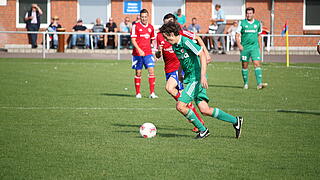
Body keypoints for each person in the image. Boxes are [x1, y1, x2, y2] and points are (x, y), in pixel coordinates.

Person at [159, 22, 243, 139]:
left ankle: (203, 130)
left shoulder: (186, 42)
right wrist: (179, 75)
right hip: (190, 78)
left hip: (196, 78)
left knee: (180, 106)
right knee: (205, 110)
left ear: (172, 34)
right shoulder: (175, 46)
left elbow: (201, 55)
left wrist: (203, 75)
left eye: (166, 37)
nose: (166, 40)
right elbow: (182, 62)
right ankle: (235, 121)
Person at [155, 13, 205, 133]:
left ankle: (195, 116)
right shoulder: (160, 36)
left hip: (179, 67)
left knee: (169, 88)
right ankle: (197, 120)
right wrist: (158, 53)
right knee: (179, 95)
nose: (169, 24)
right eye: (166, 22)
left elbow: (197, 39)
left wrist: (206, 54)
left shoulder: (180, 33)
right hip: (168, 68)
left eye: (170, 21)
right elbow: (159, 53)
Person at [236, 7, 268, 90]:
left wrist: (261, 48)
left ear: (253, 14)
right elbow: (237, 35)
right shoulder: (242, 23)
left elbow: (259, 36)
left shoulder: (258, 23)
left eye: (250, 13)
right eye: (247, 13)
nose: (248, 15)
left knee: (257, 64)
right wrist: (239, 45)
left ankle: (259, 84)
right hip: (245, 48)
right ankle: (245, 83)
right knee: (244, 65)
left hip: (254, 48)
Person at [131, 9, 158, 99]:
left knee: (151, 71)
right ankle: (138, 93)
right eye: (142, 17)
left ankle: (152, 93)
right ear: (140, 17)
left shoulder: (151, 27)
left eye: (145, 17)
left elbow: (153, 40)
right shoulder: (135, 26)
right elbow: (133, 40)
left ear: (148, 17)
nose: (144, 18)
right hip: (137, 54)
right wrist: (139, 50)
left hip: (148, 53)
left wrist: (154, 52)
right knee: (138, 73)